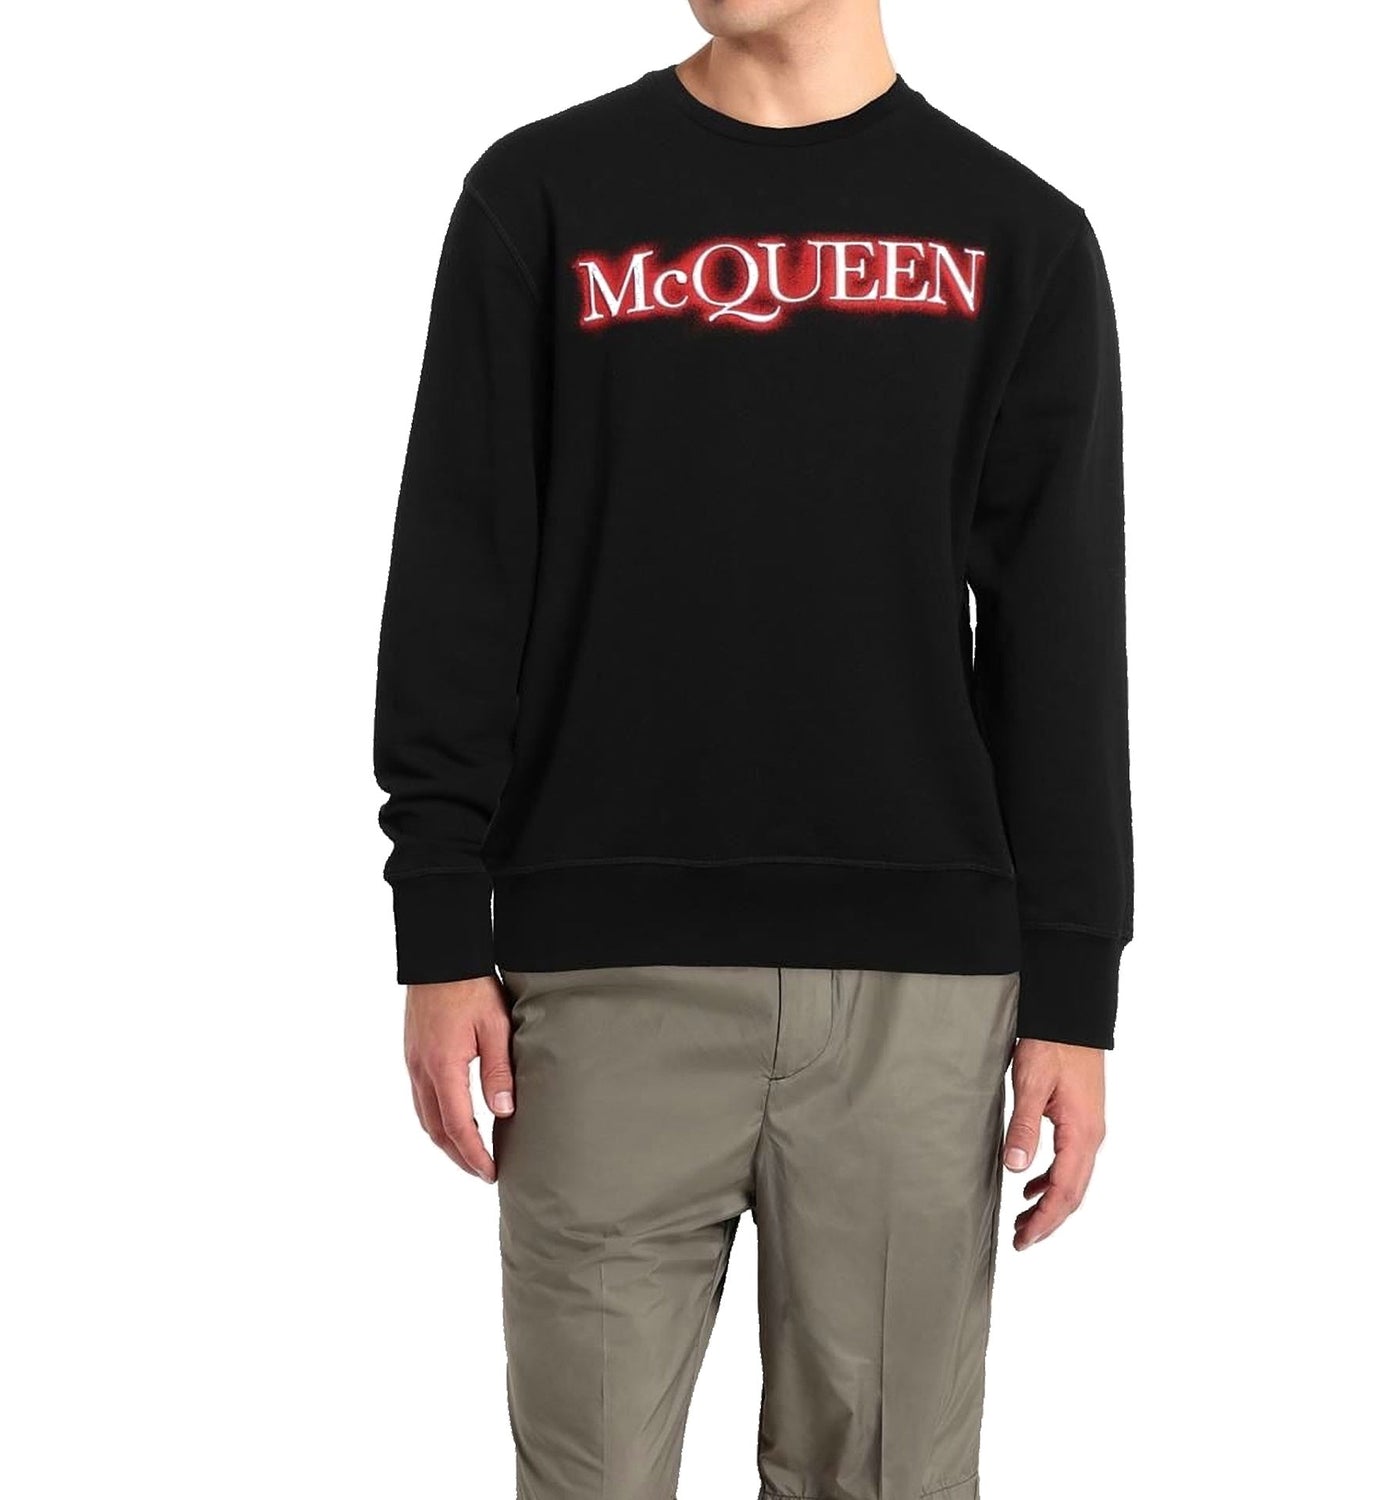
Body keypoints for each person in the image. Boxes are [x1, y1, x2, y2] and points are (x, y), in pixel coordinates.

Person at [374, 1, 1132, 1495]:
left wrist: (1076, 988)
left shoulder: (1018, 236)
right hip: (600, 982)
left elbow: (1059, 643)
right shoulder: (543, 198)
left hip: (920, 997)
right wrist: (439, 925)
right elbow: (463, 571)